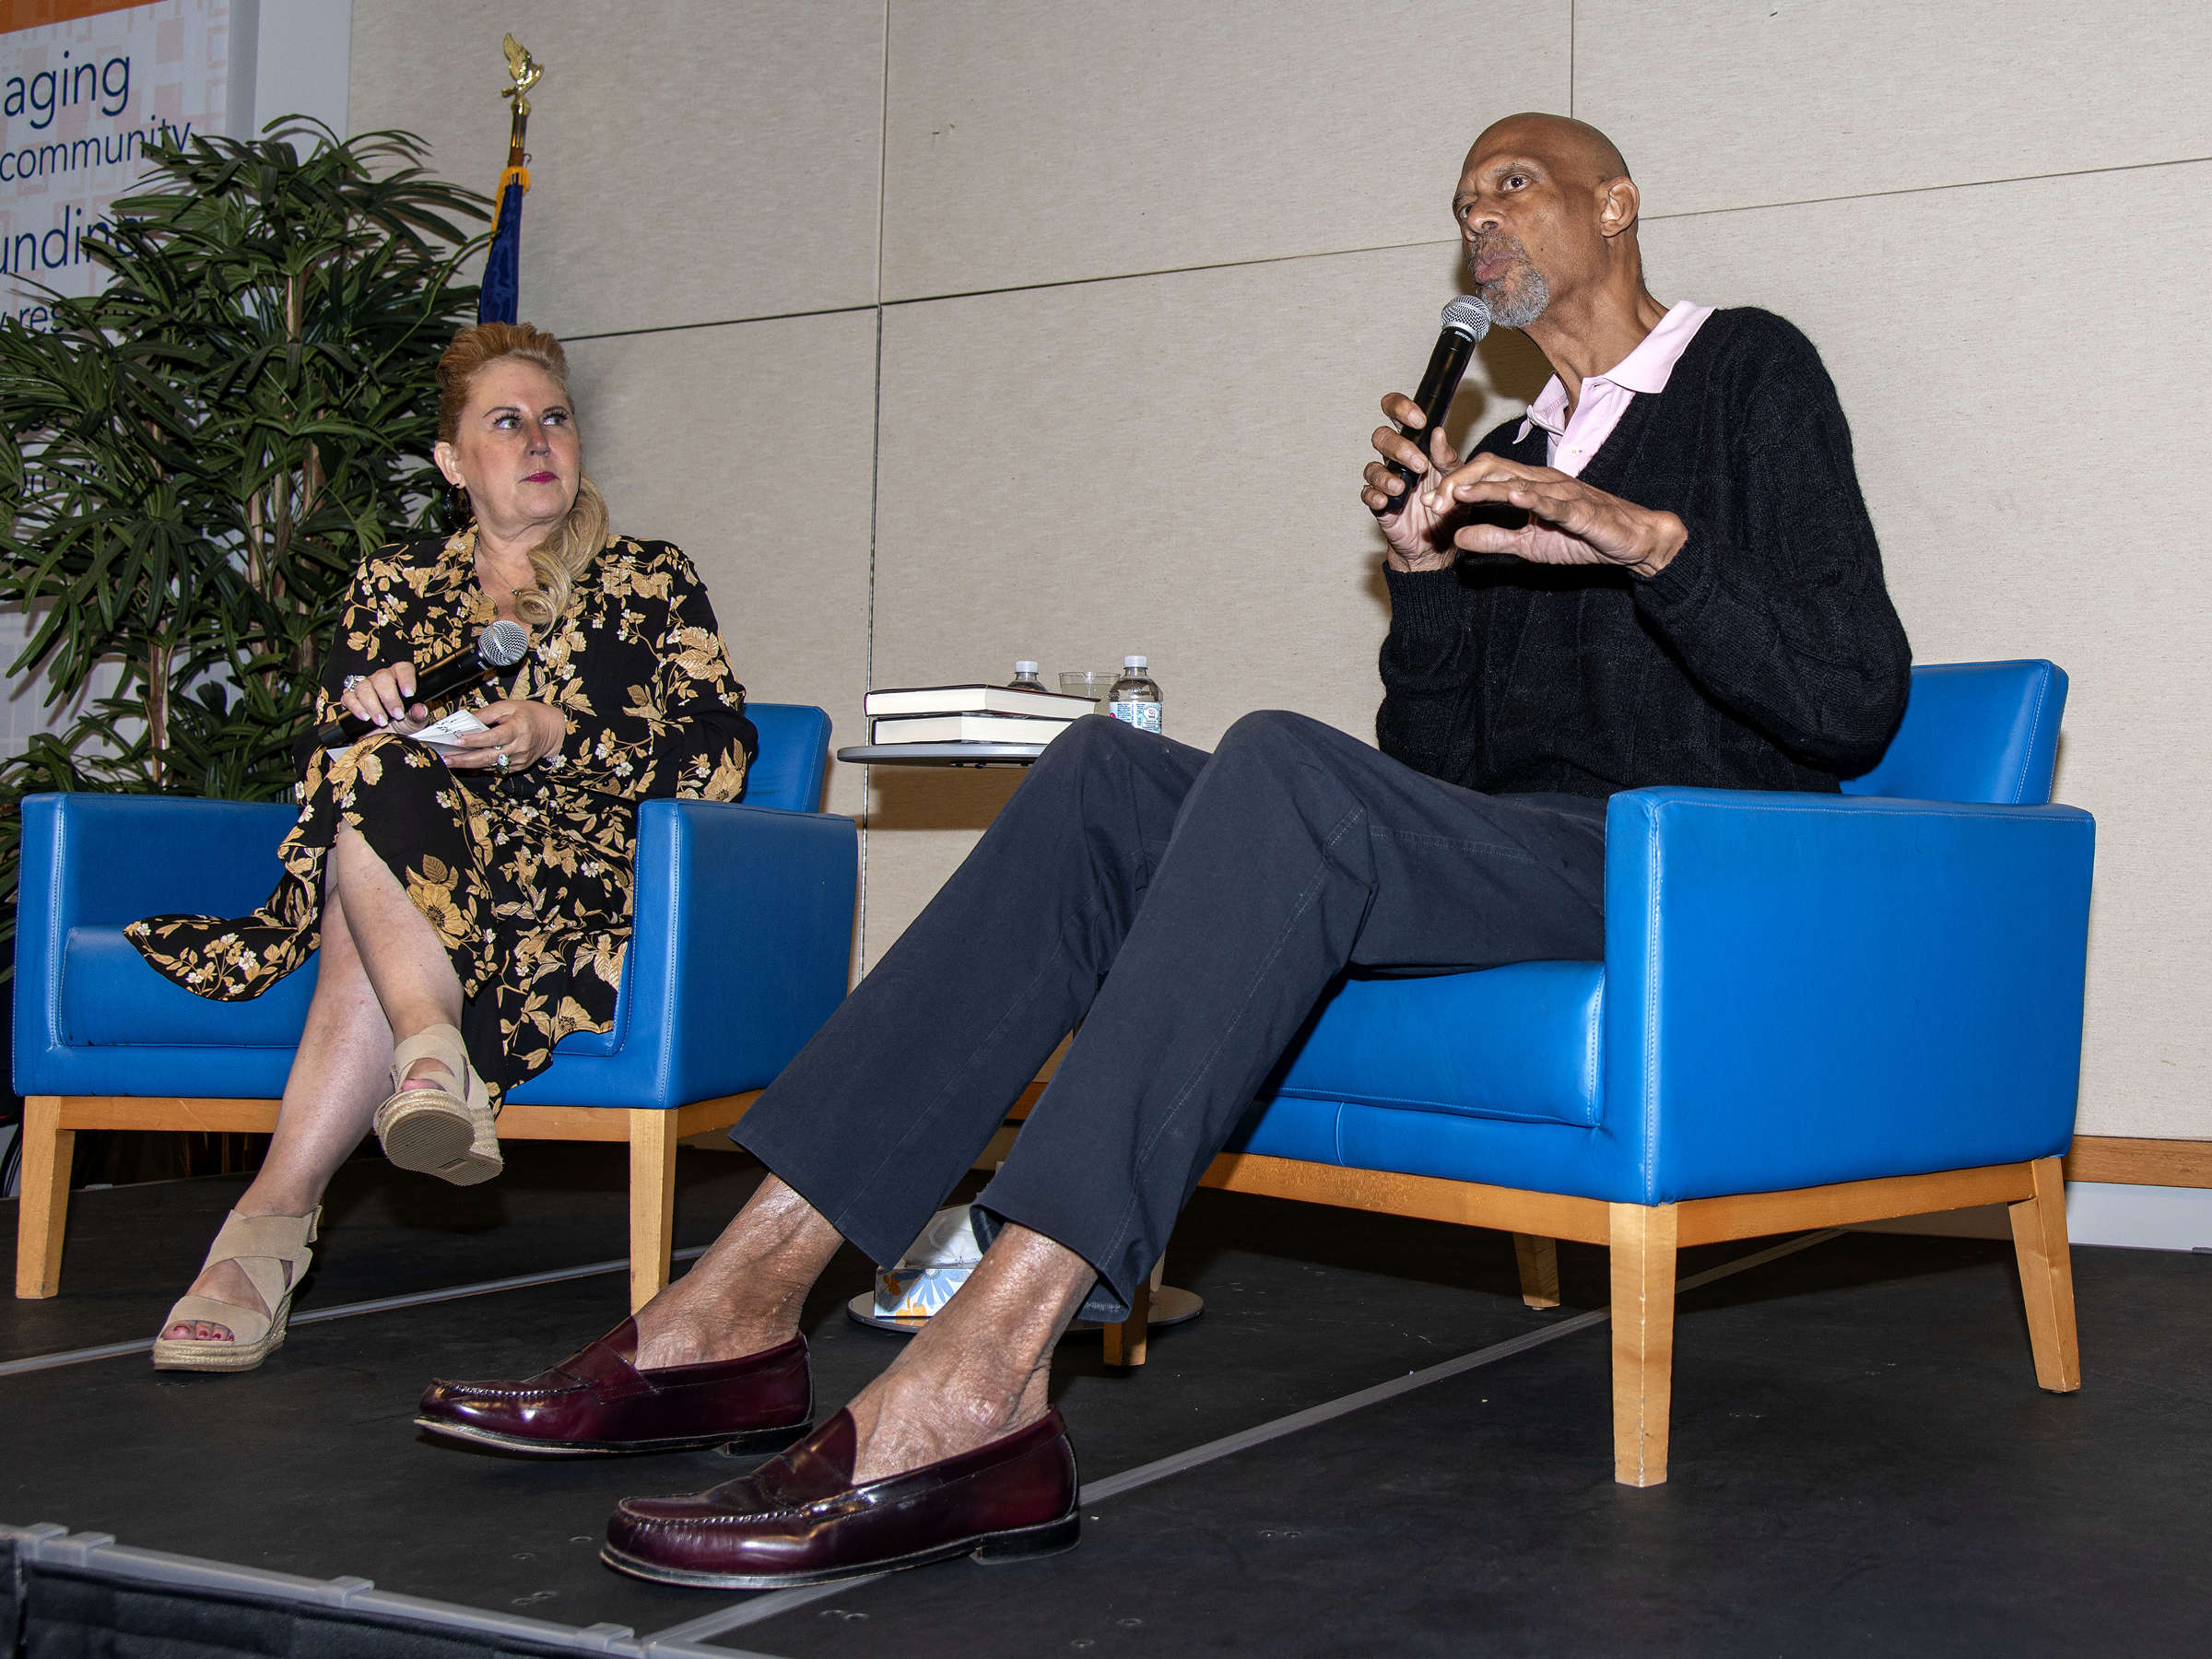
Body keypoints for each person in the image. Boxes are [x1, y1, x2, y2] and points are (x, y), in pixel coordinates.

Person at [420, 112, 1912, 1589]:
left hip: (1673, 854)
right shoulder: (1509, 443)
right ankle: (732, 1313)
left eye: (1512, 187)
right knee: (1100, 778)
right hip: (1513, 839)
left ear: (1618, 202)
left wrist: (1639, 536)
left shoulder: (1745, 370)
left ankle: (982, 1386)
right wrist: (1430, 580)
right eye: (1462, 204)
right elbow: (1442, 773)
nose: (1483, 223)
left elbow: (1849, 700)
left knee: (1272, 755)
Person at [133, 322, 757, 1373]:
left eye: (553, 418)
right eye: (505, 422)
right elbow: (327, 763)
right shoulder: (395, 582)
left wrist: (562, 735)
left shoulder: (648, 578)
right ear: (451, 462)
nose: (538, 439)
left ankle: (268, 1229)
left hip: (582, 876)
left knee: (359, 898)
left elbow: (725, 752)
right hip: (430, 856)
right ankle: (430, 1060)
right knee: (372, 774)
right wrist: (365, 712)